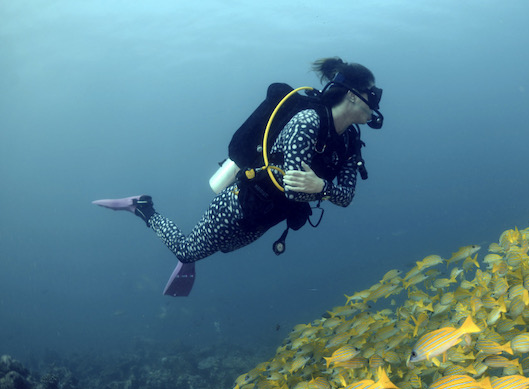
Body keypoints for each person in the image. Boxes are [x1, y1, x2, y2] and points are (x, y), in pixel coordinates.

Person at [93, 57, 383, 295]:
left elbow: (346, 198)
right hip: (238, 204)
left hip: (266, 218)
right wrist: (324, 190)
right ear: (351, 95)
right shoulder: (308, 122)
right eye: (373, 93)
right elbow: (295, 190)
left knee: (225, 248)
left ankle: (198, 246)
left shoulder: (349, 142)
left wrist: (321, 188)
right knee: (187, 251)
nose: (376, 102)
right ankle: (144, 207)